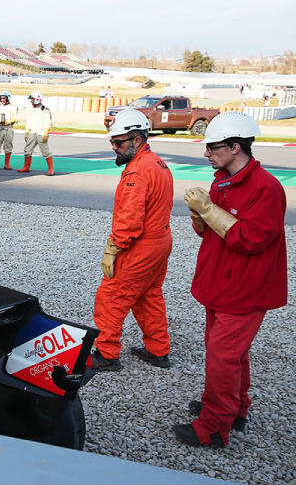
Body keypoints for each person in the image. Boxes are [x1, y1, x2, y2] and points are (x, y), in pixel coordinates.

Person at [173, 112, 287, 448]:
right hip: (220, 286)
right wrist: (199, 214)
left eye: (213, 148)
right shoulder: (221, 179)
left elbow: (252, 240)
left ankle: (213, 427)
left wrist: (208, 211)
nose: (207, 154)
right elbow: (205, 233)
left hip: (245, 291)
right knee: (230, 354)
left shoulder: (266, 188)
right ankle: (234, 408)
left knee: (223, 356)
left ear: (235, 147)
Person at [90, 109, 174, 373]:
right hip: (160, 241)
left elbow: (129, 221)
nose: (114, 147)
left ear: (137, 140)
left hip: (141, 245)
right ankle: (158, 350)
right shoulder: (158, 163)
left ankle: (106, 353)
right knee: (148, 296)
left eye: (118, 142)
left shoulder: (137, 172)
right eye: (112, 142)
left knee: (111, 297)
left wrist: (112, 249)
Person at [18, 91, 55, 176]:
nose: (31, 102)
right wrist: (27, 132)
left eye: (32, 100)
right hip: (32, 132)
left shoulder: (45, 110)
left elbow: (48, 122)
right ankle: (26, 167)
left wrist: (46, 133)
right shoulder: (31, 110)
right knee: (27, 150)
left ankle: (51, 169)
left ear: (37, 100)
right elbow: (29, 121)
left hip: (41, 133)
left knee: (45, 151)